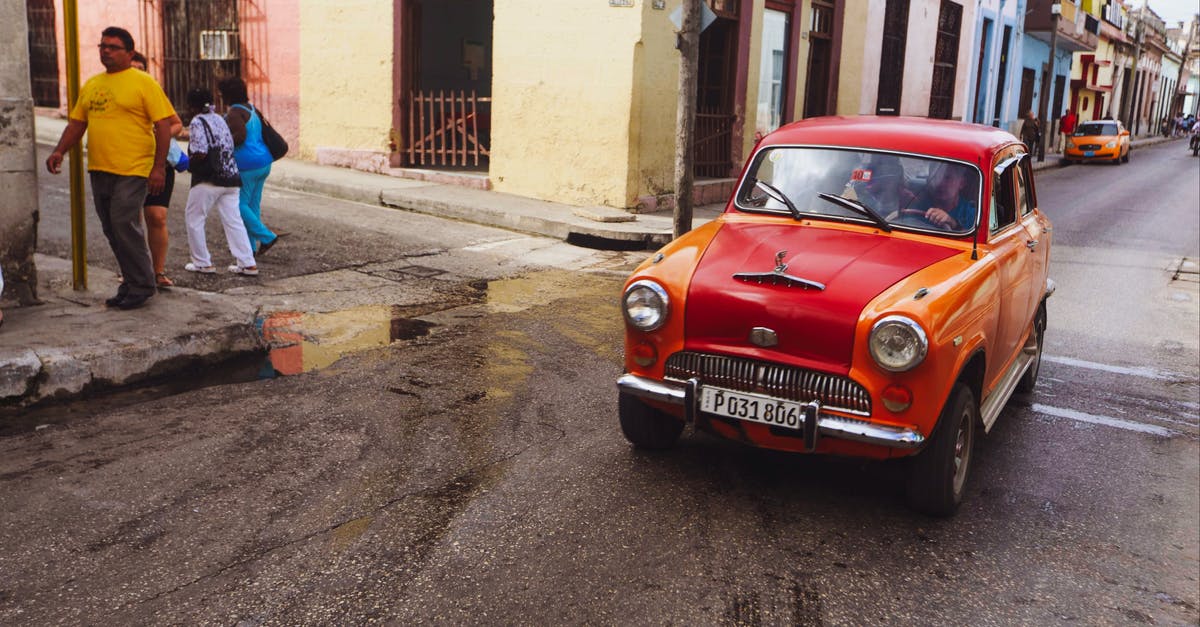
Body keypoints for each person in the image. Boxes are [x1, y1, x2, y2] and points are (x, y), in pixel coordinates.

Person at [45, 26, 175, 310]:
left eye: (113, 47)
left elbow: (163, 125)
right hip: (100, 168)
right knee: (111, 228)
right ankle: (131, 281)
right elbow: (78, 123)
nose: (106, 51)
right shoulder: (92, 84)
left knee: (123, 222)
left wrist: (158, 169)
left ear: (129, 52)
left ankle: (142, 284)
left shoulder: (144, 82)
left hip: (133, 168)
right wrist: (59, 150)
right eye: (102, 46)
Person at [182, 87, 258, 276]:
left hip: (208, 179)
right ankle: (248, 263)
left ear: (192, 106)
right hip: (231, 177)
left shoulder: (197, 122)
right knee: (234, 221)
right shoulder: (219, 119)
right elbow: (230, 144)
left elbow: (200, 151)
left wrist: (186, 163)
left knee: (194, 218)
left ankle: (203, 263)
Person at [130, 51, 186, 289]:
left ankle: (158, 272)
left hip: (158, 164)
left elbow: (176, 124)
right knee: (131, 222)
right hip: (130, 165)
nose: (137, 73)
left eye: (140, 69)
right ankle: (133, 272)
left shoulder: (153, 92)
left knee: (157, 216)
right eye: (132, 69)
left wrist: (159, 133)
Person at [218, 77, 281, 256]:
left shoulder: (235, 113)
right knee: (252, 205)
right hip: (263, 162)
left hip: (246, 165)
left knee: (239, 206)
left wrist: (221, 144)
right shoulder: (251, 109)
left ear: (228, 94)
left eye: (221, 92)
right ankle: (250, 248)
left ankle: (267, 237)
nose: (219, 95)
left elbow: (239, 137)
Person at [897, 163, 977, 231]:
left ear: (961, 183)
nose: (939, 183)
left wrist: (953, 224)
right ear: (929, 180)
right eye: (935, 177)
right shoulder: (918, 204)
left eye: (947, 178)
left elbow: (973, 243)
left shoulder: (970, 213)